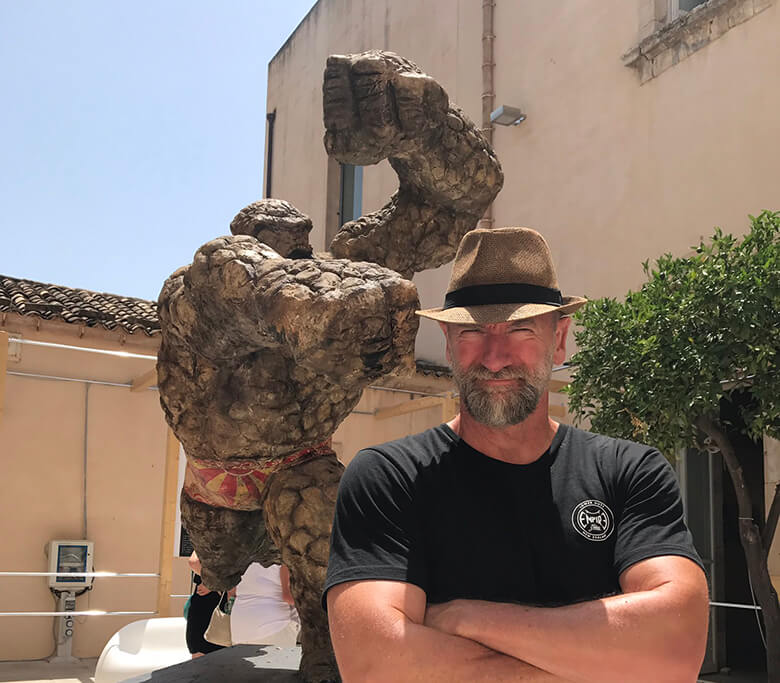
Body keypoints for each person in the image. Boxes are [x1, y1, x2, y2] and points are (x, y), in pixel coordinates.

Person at [324, 227, 710, 682]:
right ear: (448, 343)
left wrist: (466, 618)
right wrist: (604, 663)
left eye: (521, 330)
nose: (494, 357)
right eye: (472, 333)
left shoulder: (630, 473)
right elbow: (375, 666)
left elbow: (677, 648)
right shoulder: (389, 479)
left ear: (560, 338)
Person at [231, 563, 301, 647]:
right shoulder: (284, 560)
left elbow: (231, 593)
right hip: (272, 627)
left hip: (239, 628)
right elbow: (288, 597)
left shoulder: (242, 557)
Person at [185, 551, 226, 658]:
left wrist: (212, 583)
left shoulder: (208, 537)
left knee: (200, 655)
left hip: (206, 603)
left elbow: (194, 562)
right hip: (230, 600)